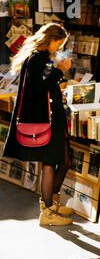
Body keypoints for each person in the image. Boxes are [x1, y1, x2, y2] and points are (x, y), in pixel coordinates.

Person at [2, 23, 75, 226]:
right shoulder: (37, 59)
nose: (59, 47)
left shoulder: (41, 58)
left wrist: (57, 73)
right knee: (50, 162)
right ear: (50, 40)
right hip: (46, 120)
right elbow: (38, 90)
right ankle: (48, 211)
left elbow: (44, 87)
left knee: (65, 160)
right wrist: (58, 72)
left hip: (53, 117)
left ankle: (52, 203)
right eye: (59, 43)